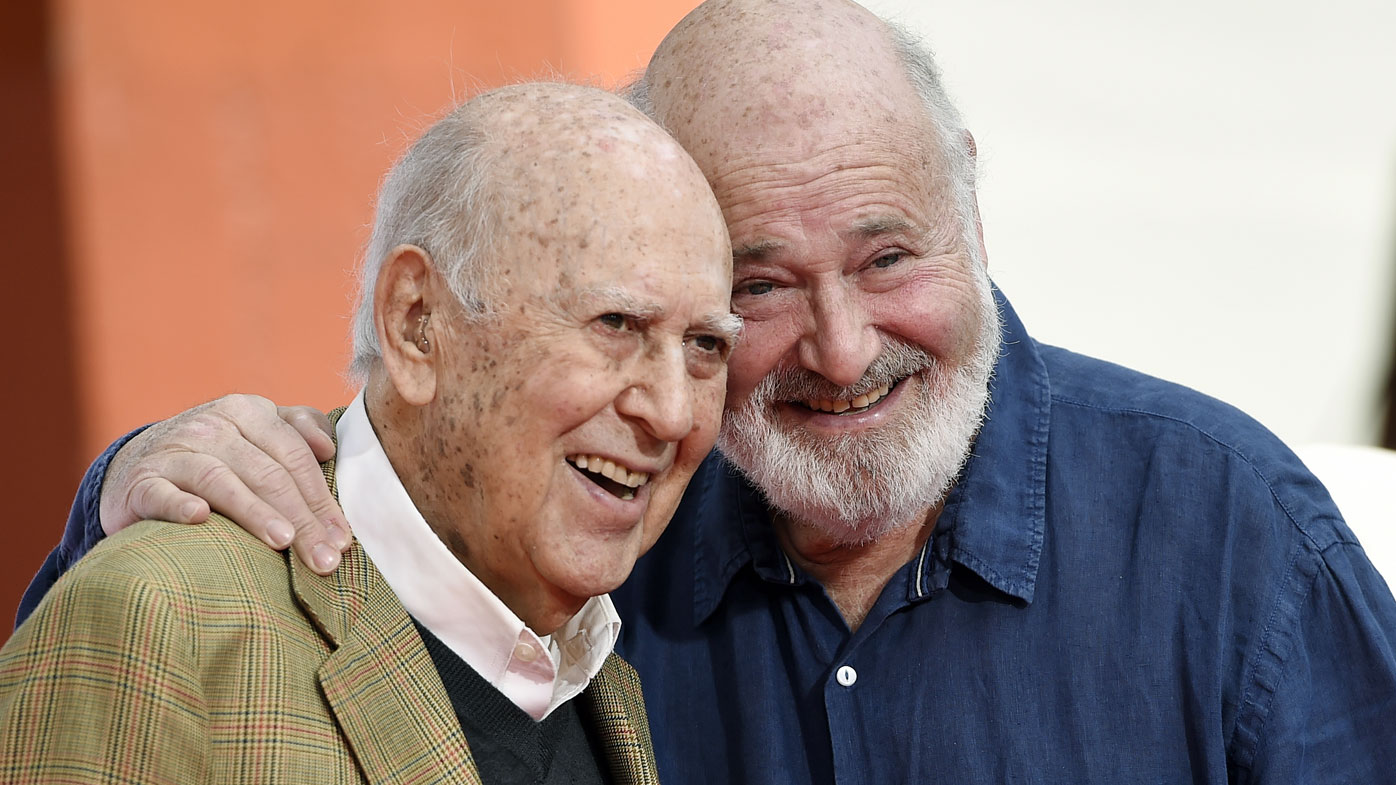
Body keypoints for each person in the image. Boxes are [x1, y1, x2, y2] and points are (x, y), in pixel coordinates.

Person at [19, 0, 1396, 782]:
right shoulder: (596, 519)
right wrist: (134, 488)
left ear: (971, 195)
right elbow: (395, 484)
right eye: (757, 288)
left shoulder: (1232, 534)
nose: (844, 349)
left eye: (888, 255)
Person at [1, 82, 739, 784]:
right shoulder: (160, 620)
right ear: (417, 323)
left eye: (706, 344)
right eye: (615, 324)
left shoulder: (602, 666)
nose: (673, 411)